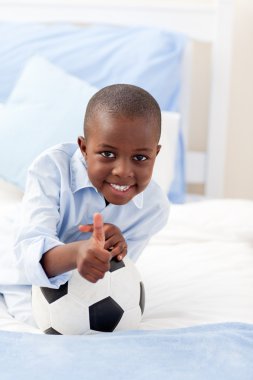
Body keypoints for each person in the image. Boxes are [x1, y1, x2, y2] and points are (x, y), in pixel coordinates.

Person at [10, 84, 169, 324]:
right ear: (84, 148)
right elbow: (26, 259)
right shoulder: (52, 169)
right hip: (16, 278)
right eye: (107, 154)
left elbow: (114, 280)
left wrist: (115, 253)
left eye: (140, 158)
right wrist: (78, 251)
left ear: (155, 155)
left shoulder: (153, 208)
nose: (123, 172)